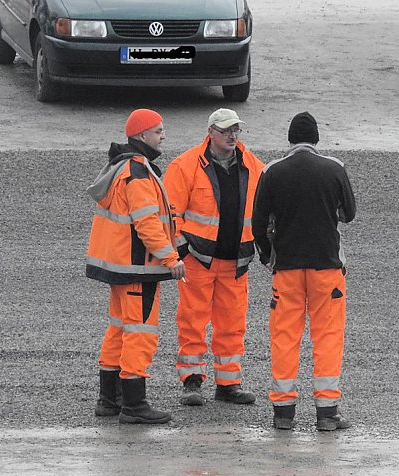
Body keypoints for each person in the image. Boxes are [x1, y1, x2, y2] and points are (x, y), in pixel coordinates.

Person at [252, 112, 357, 431]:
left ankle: (283, 412)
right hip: (327, 268)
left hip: (287, 269)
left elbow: (258, 222)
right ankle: (327, 412)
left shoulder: (272, 171)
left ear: (290, 139)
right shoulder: (334, 168)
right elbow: (349, 214)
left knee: (285, 337)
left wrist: (267, 256)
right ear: (316, 138)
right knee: (327, 337)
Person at [85, 109, 186, 424]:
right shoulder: (138, 172)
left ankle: (109, 399)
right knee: (140, 332)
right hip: (138, 269)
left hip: (120, 267)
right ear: (142, 135)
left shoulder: (123, 167)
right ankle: (133, 404)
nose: (163, 136)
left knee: (119, 329)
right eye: (158, 131)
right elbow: (147, 223)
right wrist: (171, 258)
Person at [164, 108, 265, 406]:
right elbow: (169, 214)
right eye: (225, 131)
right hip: (198, 259)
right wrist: (182, 249)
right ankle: (192, 381)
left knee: (232, 324)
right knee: (192, 320)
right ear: (210, 133)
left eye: (236, 130)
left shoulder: (254, 166)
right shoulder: (185, 166)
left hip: (236, 261)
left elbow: (267, 209)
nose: (232, 136)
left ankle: (228, 383)